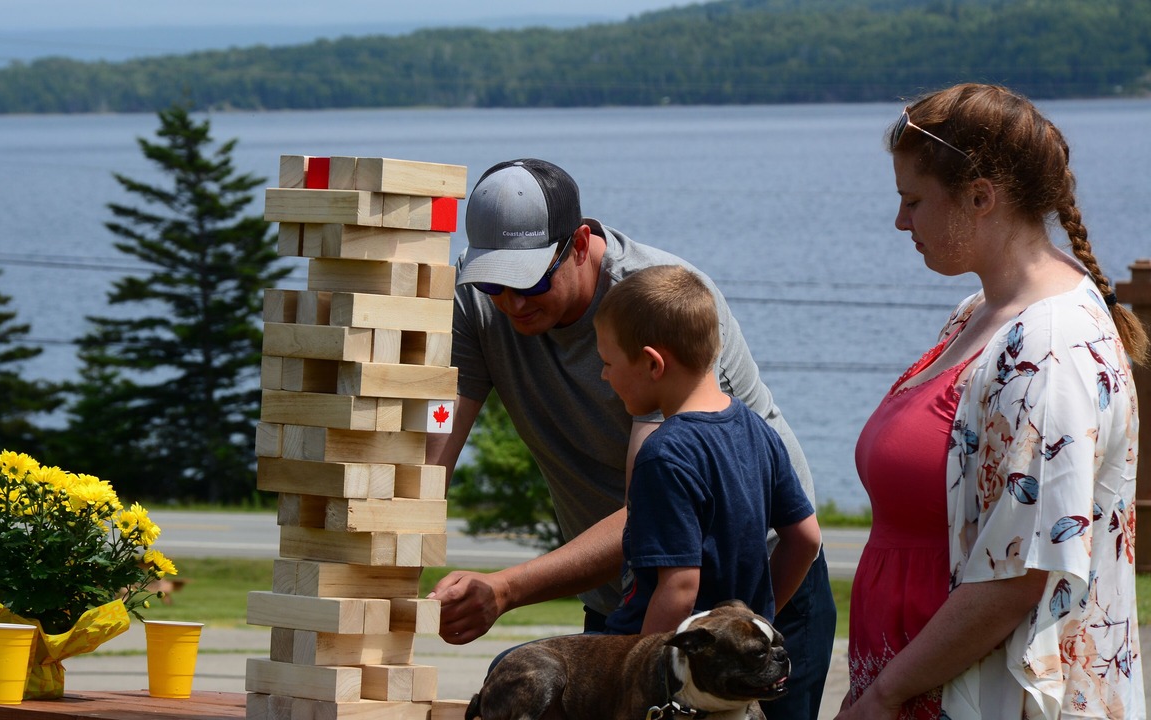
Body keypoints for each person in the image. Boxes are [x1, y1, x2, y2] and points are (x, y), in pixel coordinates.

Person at [426, 158, 836, 719]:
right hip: (634, 600)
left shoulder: (657, 306)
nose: (513, 302)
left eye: (531, 281)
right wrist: (405, 511)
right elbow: (441, 422)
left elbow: (652, 518)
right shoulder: (476, 302)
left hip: (749, 600)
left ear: (579, 243)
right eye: (495, 283)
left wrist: (507, 589)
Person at [839, 83, 1147, 720]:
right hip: (927, 684)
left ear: (981, 198)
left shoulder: (1050, 350)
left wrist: (887, 693)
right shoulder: (981, 314)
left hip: (991, 699)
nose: (901, 222)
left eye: (913, 201)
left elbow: (1017, 577)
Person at [594, 264, 822, 635]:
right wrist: (755, 624)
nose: (604, 375)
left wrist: (644, 677)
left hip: (664, 656)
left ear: (653, 363)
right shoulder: (755, 428)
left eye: (607, 363)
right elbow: (807, 539)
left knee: (515, 664)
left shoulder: (663, 454)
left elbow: (680, 587)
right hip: (727, 655)